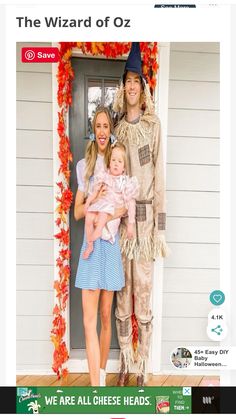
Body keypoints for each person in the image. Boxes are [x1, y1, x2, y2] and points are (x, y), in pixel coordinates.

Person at [113, 42, 169, 386]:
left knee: (144, 294)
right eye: (127, 80)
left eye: (136, 80)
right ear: (123, 87)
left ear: (143, 86)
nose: (131, 86)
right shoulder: (118, 128)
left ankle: (143, 364)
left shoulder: (153, 126)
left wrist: (160, 229)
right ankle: (124, 359)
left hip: (146, 225)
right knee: (123, 295)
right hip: (121, 223)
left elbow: (159, 179)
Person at [74, 106, 126, 386]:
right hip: (90, 248)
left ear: (111, 131)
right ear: (94, 131)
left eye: (107, 126)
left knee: (106, 315)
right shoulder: (86, 166)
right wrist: (94, 198)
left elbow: (124, 206)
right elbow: (77, 213)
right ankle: (96, 386)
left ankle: (102, 374)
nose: (103, 131)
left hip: (110, 246)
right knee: (87, 320)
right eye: (99, 126)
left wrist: (115, 212)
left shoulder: (117, 163)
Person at [82, 142, 140, 259]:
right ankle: (90, 244)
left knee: (104, 212)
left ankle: (98, 232)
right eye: (113, 160)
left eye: (119, 161)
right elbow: (95, 192)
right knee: (89, 217)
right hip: (101, 208)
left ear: (124, 167)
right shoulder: (104, 176)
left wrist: (131, 224)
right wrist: (88, 202)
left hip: (112, 214)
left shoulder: (124, 182)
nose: (116, 164)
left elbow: (131, 203)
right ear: (109, 162)